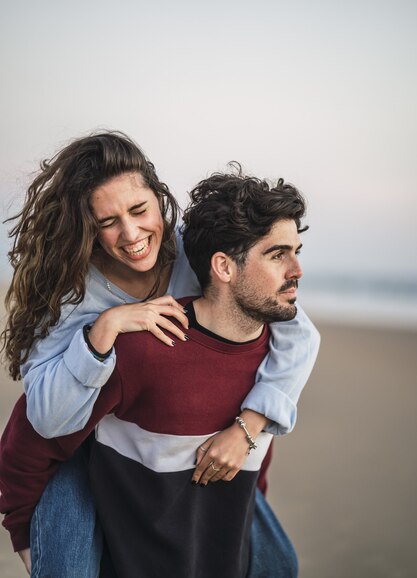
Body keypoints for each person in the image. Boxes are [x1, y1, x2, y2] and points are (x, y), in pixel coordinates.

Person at [0, 132, 320, 576]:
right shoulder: (70, 294)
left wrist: (248, 428)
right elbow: (45, 420)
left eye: (139, 210)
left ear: (159, 198)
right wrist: (106, 328)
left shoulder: (198, 252)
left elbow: (297, 335)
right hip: (82, 449)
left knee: (279, 564)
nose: (131, 235)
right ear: (86, 226)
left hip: (175, 449)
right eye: (107, 221)